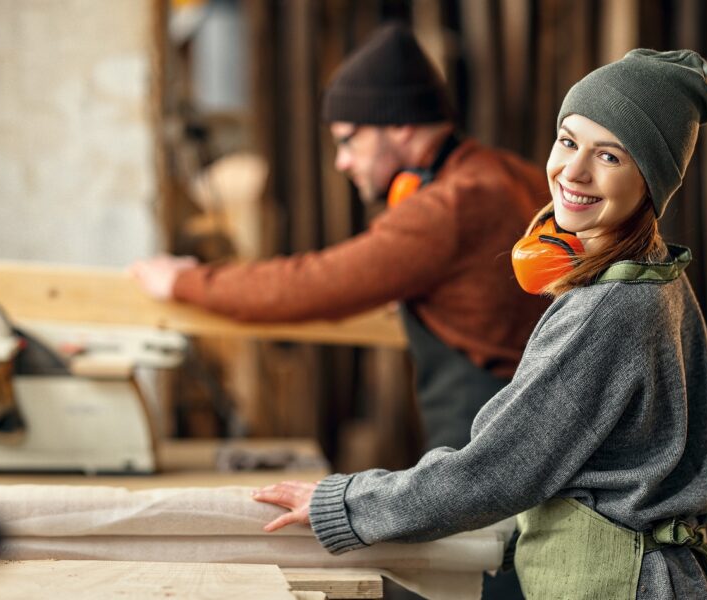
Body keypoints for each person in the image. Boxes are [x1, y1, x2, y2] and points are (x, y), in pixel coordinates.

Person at [251, 49, 707, 599]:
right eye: (568, 141)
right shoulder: (660, 276)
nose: (573, 172)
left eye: (610, 157)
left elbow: (491, 472)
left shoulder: (609, 307)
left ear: (651, 179)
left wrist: (341, 503)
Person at [132, 23, 550, 452]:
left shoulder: (448, 207)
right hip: (533, 430)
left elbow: (307, 285)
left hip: (489, 450)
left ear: (401, 125)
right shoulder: (509, 174)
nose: (341, 162)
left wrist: (181, 282)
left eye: (349, 140)